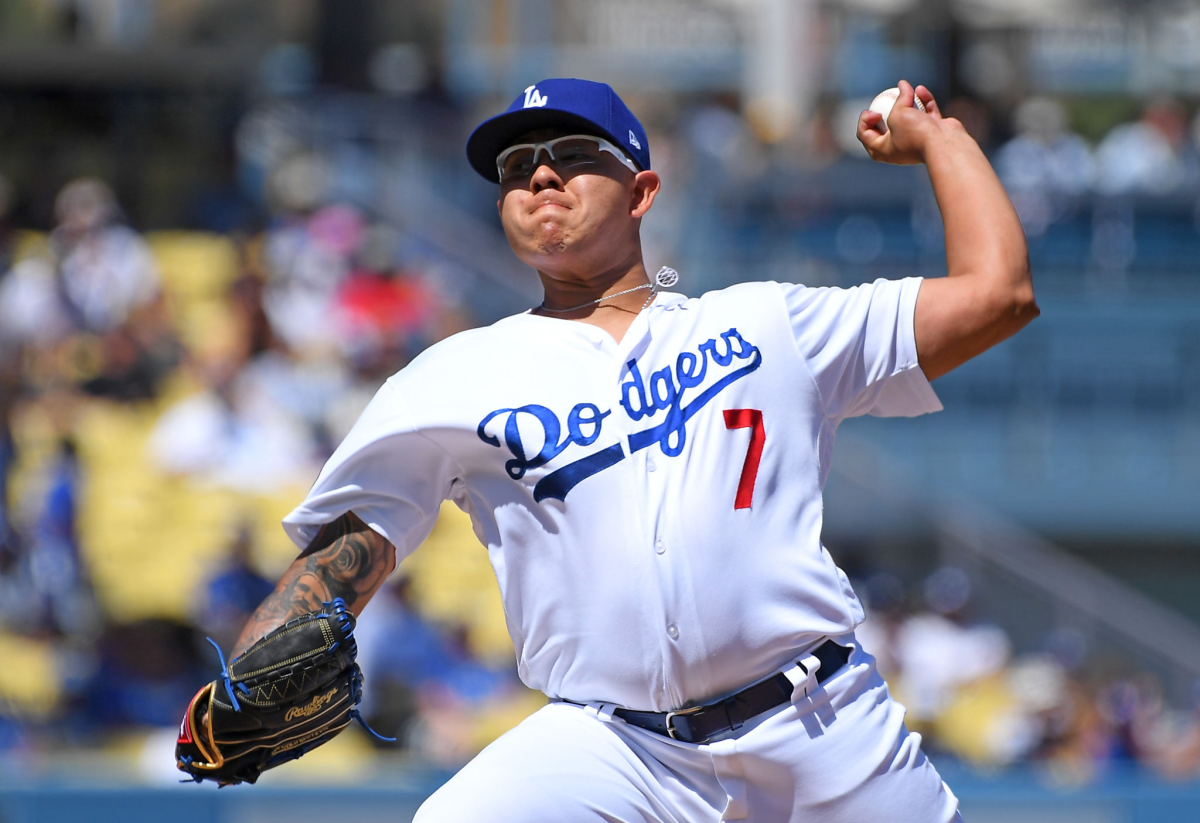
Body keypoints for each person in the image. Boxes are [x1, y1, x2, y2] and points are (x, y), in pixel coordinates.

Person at [223, 78, 1037, 821]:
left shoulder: (765, 325)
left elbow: (998, 295)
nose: (540, 176)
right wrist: (240, 679)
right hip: (618, 752)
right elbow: (340, 558)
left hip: (822, 725)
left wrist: (939, 138)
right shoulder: (451, 377)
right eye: (517, 168)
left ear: (643, 190)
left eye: (573, 157)